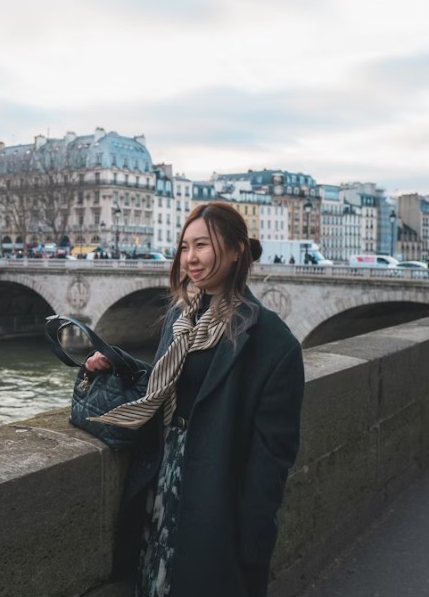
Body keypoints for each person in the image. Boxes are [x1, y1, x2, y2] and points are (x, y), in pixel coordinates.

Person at [84, 201, 305, 597]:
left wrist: (253, 540)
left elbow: (273, 457)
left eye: (202, 245)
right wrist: (117, 365)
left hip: (215, 495)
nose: (190, 259)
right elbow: (171, 383)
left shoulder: (272, 341)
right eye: (184, 247)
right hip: (162, 484)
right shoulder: (181, 317)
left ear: (237, 249)